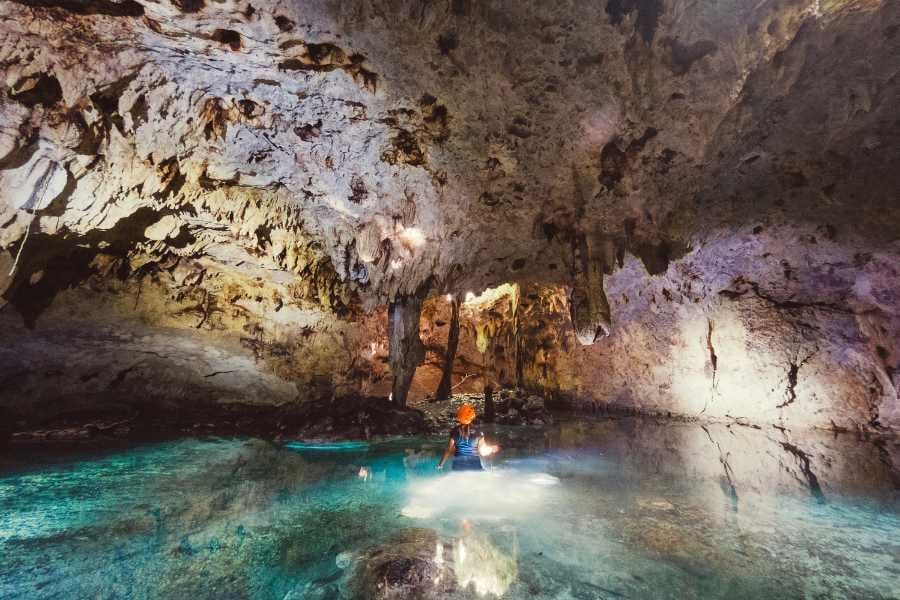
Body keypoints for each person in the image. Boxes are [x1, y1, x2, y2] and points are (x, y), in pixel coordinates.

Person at [437, 404, 497, 471]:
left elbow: (448, 450)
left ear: (459, 416)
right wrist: (491, 449)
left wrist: (440, 465)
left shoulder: (454, 432)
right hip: (474, 464)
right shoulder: (479, 433)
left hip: (458, 465)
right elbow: (483, 452)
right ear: (472, 417)